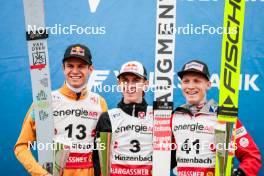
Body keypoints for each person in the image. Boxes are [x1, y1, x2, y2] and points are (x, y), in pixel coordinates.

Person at [14, 44, 108, 176]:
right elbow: (21, 146)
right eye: (70, 66)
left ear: (90, 69)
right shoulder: (45, 101)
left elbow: (103, 150)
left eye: (81, 66)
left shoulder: (99, 102)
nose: (75, 71)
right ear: (63, 68)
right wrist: (42, 174)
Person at [171, 60, 262, 176]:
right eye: (186, 81)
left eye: (197, 81)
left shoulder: (223, 116)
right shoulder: (174, 116)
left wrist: (240, 173)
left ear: (208, 85)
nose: (190, 86)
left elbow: (252, 156)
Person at [96, 61, 153, 176]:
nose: (130, 85)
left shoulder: (156, 116)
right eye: (125, 80)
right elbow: (99, 161)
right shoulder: (108, 117)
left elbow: (168, 156)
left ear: (145, 84)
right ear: (119, 84)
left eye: (136, 80)